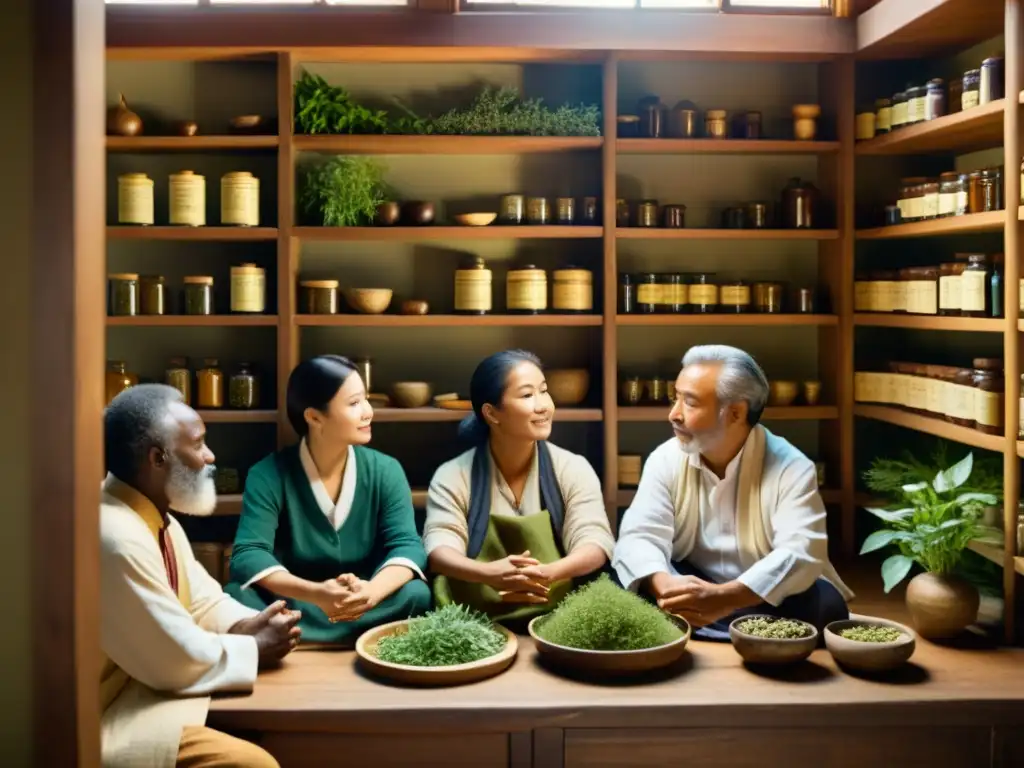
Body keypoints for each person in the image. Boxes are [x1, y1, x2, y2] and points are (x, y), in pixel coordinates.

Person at [101, 384, 299, 768]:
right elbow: (170, 658)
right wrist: (255, 647)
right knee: (253, 763)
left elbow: (201, 598)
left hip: (142, 690)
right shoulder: (114, 535)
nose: (210, 457)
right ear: (158, 458)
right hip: (112, 712)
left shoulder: (155, 518)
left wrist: (247, 623)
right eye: (198, 444)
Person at [612, 345, 853, 641]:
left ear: (736, 412)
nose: (674, 414)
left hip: (756, 594)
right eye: (676, 398)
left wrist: (726, 597)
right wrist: (665, 586)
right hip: (688, 579)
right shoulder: (665, 458)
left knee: (826, 604)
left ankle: (702, 623)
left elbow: (800, 551)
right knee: (624, 577)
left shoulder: (792, 467)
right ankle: (722, 624)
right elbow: (640, 535)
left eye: (690, 402)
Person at [225, 354, 430, 646]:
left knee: (417, 594)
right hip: (300, 600)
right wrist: (317, 594)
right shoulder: (268, 474)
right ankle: (355, 635)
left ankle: (299, 635)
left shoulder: (386, 470)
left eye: (366, 400)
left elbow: (407, 545)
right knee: (237, 594)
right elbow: (248, 554)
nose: (368, 412)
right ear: (314, 417)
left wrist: (371, 592)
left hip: (365, 601)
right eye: (354, 403)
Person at [424, 349, 615, 626]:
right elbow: (439, 550)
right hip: (476, 614)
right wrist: (488, 574)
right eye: (527, 395)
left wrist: (548, 573)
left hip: (559, 611)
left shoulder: (572, 468)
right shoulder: (454, 474)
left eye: (544, 391)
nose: (543, 406)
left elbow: (595, 541)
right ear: (491, 413)